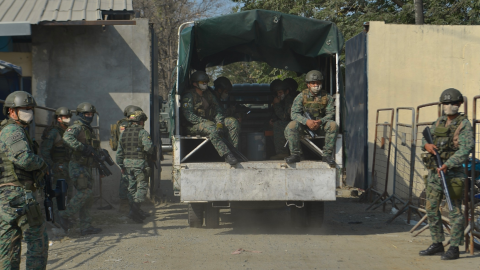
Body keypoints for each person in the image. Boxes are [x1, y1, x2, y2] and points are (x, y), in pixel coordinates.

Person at [420, 88, 474, 260]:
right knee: (431, 209)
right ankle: (437, 243)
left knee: (455, 211)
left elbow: (466, 149)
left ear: (459, 104)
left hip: (452, 173)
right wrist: (426, 146)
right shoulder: (439, 121)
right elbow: (426, 139)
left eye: (452, 103)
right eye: (445, 103)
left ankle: (455, 247)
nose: (449, 106)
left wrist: (447, 164)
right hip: (435, 172)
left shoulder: (464, 124)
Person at [0, 91, 48, 269]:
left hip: (6, 197)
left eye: (30, 109)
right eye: (24, 109)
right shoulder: (13, 131)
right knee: (37, 240)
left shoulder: (8, 130)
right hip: (19, 194)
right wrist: (42, 164)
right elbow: (24, 159)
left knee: (9, 244)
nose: (29, 112)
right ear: (12, 111)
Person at [59, 102, 102, 236]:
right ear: (80, 115)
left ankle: (86, 226)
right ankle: (65, 215)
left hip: (86, 166)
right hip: (77, 166)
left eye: (91, 114)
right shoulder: (77, 127)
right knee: (85, 193)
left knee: (87, 198)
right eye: (86, 114)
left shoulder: (88, 129)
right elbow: (67, 138)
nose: (89, 116)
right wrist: (83, 148)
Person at [181, 71, 240, 165]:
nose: (205, 84)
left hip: (209, 122)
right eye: (202, 82)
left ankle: (234, 152)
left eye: (206, 82)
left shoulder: (208, 95)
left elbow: (218, 111)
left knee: (232, 122)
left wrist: (219, 123)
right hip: (193, 126)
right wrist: (206, 122)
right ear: (195, 84)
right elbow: (188, 115)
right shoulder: (189, 96)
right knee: (212, 128)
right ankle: (227, 154)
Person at [284, 70, 338, 165]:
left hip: (320, 126)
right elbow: (294, 114)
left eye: (318, 83)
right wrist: (306, 122)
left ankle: (327, 155)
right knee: (292, 125)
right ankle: (295, 154)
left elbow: (331, 114)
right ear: (308, 84)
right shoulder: (301, 97)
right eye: (313, 83)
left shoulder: (327, 97)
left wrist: (321, 121)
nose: (316, 85)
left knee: (333, 125)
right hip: (304, 127)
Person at [116, 110, 154, 223]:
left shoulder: (124, 133)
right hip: (139, 164)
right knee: (142, 187)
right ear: (141, 121)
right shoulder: (143, 133)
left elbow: (119, 152)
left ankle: (134, 213)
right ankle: (134, 210)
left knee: (131, 188)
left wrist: (122, 165)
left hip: (127, 165)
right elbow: (149, 148)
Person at [40, 107, 74, 220]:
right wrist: (53, 166)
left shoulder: (68, 131)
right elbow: (44, 151)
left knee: (68, 193)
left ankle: (66, 218)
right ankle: (56, 220)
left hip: (67, 167)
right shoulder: (54, 132)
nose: (68, 119)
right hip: (58, 169)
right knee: (57, 195)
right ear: (59, 118)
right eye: (66, 117)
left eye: (69, 117)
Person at [109, 105, 143, 214]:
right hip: (126, 156)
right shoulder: (124, 125)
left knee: (133, 183)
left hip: (132, 156)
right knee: (125, 182)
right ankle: (124, 206)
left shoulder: (130, 124)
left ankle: (134, 208)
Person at [270, 80, 294, 160]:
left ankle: (282, 152)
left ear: (286, 91)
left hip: (293, 123)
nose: (278, 95)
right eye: (277, 93)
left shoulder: (289, 100)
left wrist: (276, 104)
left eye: (280, 92)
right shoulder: (282, 100)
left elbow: (284, 117)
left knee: (278, 125)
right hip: (287, 122)